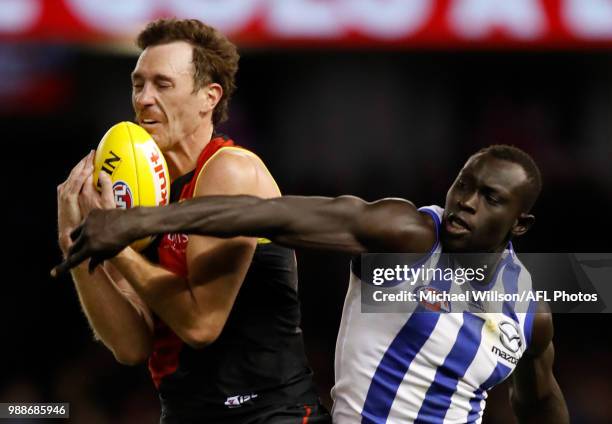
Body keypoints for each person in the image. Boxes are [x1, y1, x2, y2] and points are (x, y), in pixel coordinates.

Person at [55, 144, 569, 423]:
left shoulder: (530, 312)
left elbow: (541, 400)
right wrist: (143, 221)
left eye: (490, 199)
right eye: (464, 185)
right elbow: (269, 216)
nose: (466, 203)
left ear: (519, 224)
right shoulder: (407, 236)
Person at [55, 18, 330, 424]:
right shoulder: (149, 193)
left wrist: (116, 245)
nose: (144, 99)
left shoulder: (230, 171)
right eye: (138, 83)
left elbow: (202, 325)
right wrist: (78, 249)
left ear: (209, 97)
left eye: (162, 84)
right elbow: (132, 346)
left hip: (269, 415)